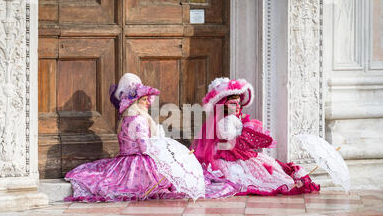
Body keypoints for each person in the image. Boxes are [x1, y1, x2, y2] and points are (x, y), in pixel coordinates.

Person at [64, 73, 238, 202]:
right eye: (145, 99)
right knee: (166, 180)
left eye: (148, 99)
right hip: (137, 163)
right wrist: (163, 149)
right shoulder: (138, 120)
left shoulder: (126, 118)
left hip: (124, 161)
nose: (148, 102)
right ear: (137, 101)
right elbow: (144, 147)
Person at [191, 77, 320, 196]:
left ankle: (288, 180)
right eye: (232, 103)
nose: (236, 107)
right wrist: (245, 132)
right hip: (228, 155)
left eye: (238, 103)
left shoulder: (231, 118)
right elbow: (230, 139)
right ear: (223, 104)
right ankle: (288, 182)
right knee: (260, 171)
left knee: (269, 165)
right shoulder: (225, 120)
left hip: (234, 151)